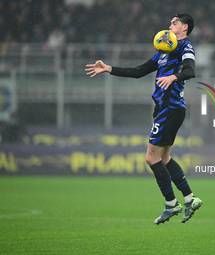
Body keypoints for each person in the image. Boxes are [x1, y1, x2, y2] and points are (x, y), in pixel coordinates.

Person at [85, 13, 202, 224]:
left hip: (170, 107)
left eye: (174, 23)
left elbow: (191, 70)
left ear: (184, 27)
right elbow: (140, 71)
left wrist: (174, 76)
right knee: (164, 158)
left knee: (151, 158)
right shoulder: (164, 50)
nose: (170, 25)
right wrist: (109, 69)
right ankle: (190, 199)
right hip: (165, 108)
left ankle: (171, 204)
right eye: (170, 22)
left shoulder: (185, 47)